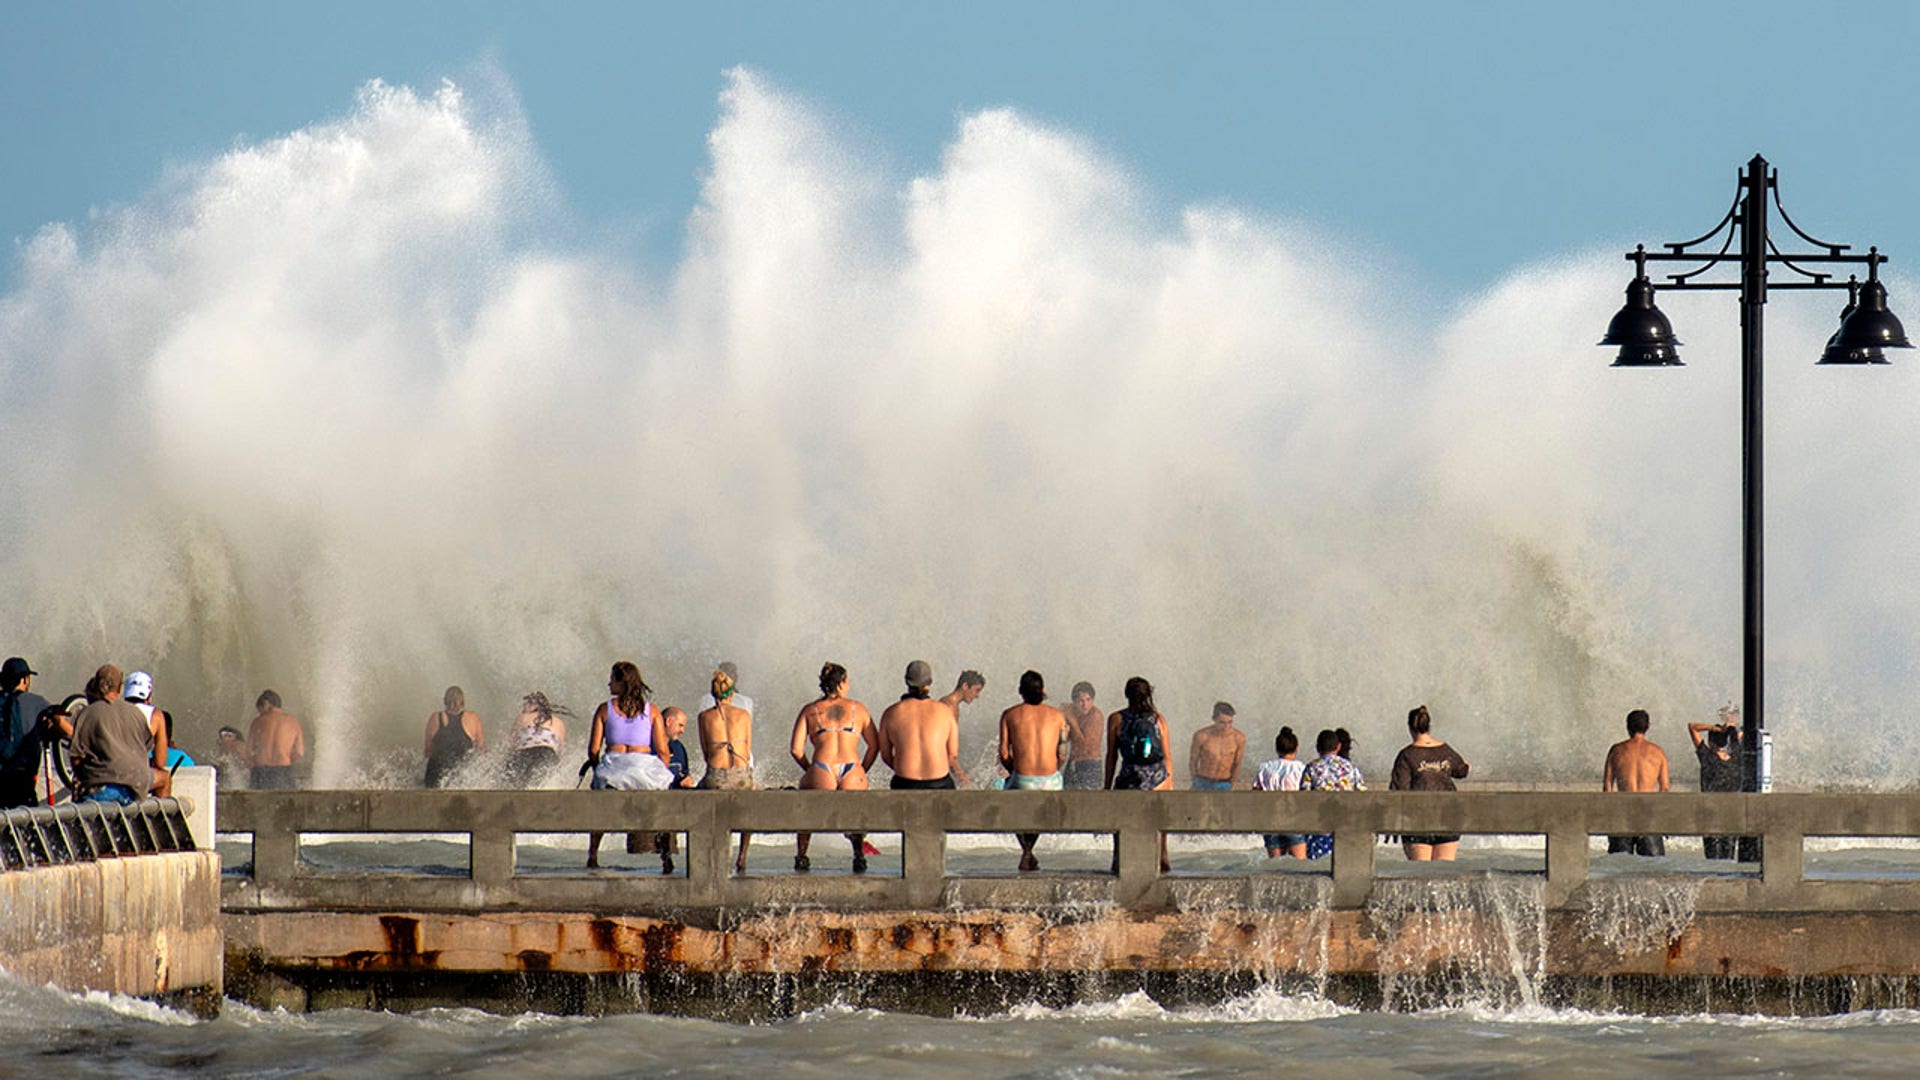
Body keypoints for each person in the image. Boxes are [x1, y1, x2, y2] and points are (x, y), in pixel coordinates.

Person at [789, 662, 877, 873]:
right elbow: (875, 745)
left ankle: (802, 855)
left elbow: (795, 749)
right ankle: (858, 855)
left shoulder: (811, 710)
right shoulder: (859, 708)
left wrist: (811, 769)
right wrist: (861, 769)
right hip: (851, 767)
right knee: (855, 813)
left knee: (807, 811)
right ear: (841, 683)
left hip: (822, 767)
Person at [585, 661, 673, 869]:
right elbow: (662, 750)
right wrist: (661, 770)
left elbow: (593, 749)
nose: (609, 684)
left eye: (612, 680)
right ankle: (665, 855)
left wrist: (597, 767)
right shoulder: (652, 711)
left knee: (600, 807)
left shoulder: (604, 709)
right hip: (643, 769)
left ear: (622, 683)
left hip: (613, 768)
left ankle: (593, 854)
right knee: (662, 804)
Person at [998, 669, 1069, 872]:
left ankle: (1026, 850)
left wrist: (1016, 770)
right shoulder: (1058, 716)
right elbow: (1062, 754)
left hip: (1022, 778)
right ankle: (1029, 851)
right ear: (1043, 690)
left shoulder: (1010, 715)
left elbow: (1003, 753)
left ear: (1021, 691)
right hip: (1051, 781)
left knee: (1010, 799)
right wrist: (1053, 770)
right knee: (1040, 805)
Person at [1105, 676, 1172, 873]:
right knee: (1159, 821)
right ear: (1149, 694)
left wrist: (1107, 787)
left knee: (1120, 821)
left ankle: (1118, 858)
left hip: (1130, 779)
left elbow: (1112, 756)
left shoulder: (1116, 719)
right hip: (1157, 779)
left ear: (1126, 695)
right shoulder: (1158, 719)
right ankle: (1162, 855)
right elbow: (1167, 756)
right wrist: (1168, 782)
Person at [1388, 705, 1471, 861]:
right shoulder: (1445, 750)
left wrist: (1392, 822)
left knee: (1421, 871)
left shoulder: (1406, 755)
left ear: (1410, 727)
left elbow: (1400, 790)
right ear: (1429, 726)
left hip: (1417, 819)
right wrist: (1466, 765)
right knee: (1443, 871)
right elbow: (1462, 771)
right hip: (1448, 816)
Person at [70, 664, 155, 805]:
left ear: (97, 685)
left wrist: (83, 777)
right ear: (120, 687)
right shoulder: (136, 713)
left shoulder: (89, 713)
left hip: (104, 789)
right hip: (137, 789)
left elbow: (76, 757)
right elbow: (147, 747)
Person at [698, 667, 755, 873]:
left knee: (702, 798)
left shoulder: (704, 717)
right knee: (749, 804)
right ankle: (742, 856)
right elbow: (747, 752)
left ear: (713, 693)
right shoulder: (744, 715)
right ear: (732, 693)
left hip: (716, 776)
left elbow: (706, 754)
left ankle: (715, 854)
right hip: (741, 776)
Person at [878, 660, 961, 790]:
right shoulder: (945, 712)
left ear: (907, 681)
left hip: (905, 782)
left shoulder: (890, 713)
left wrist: (905, 768)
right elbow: (953, 754)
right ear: (930, 682)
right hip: (939, 782)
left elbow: (885, 755)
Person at [1603, 708, 1670, 857]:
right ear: (1647, 727)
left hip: (1622, 814)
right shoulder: (1658, 753)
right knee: (1653, 867)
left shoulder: (1616, 750)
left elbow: (1607, 787)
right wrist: (1662, 819)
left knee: (1619, 865)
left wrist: (1608, 817)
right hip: (1648, 814)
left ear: (1627, 727)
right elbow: (1664, 789)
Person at [1688, 705, 1744, 860]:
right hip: (1732, 814)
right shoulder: (1737, 757)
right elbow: (1739, 735)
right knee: (1729, 856)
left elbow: (1692, 727)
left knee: (1712, 858)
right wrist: (1731, 728)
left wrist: (1716, 728)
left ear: (1711, 742)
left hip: (1710, 814)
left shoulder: (1707, 757)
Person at [1302, 728, 1366, 860]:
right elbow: (1362, 795)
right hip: (1346, 824)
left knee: (1319, 866)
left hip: (1320, 825)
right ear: (1338, 747)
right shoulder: (1350, 768)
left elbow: (1304, 797)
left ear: (1317, 748)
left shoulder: (1312, 767)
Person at [0, 657, 53, 809]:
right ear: (24, 679)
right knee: (28, 825)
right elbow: (61, 726)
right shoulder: (37, 702)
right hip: (22, 779)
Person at [1254, 726, 1307, 859]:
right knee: (1300, 865)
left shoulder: (1265, 768)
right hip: (1293, 820)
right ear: (1296, 749)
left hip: (1270, 820)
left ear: (1276, 749)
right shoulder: (1300, 768)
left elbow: (1255, 792)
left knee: (1275, 866)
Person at [119, 671, 174, 797]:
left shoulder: (112, 710)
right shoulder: (155, 715)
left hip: (107, 771)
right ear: (149, 696)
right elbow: (160, 762)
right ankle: (159, 816)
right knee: (164, 778)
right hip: (133, 776)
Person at [422, 685, 484, 789]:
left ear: (445, 701)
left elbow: (428, 751)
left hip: (437, 772)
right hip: (461, 773)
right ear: (462, 701)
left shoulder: (435, 718)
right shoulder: (473, 718)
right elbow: (481, 749)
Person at [505, 692, 570, 788]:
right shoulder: (559, 722)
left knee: (514, 783)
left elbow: (511, 744)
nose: (523, 710)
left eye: (525, 707)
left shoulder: (522, 718)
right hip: (547, 753)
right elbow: (562, 753)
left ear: (532, 706)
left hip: (524, 753)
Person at [246, 690, 306, 789]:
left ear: (266, 704)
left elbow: (248, 751)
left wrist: (256, 761)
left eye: (260, 710)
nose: (260, 714)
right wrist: (286, 760)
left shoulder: (257, 722)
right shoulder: (293, 722)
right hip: (283, 770)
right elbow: (299, 752)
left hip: (261, 770)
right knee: (284, 802)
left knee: (258, 803)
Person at [938, 670, 985, 788]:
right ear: (965, 686)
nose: (977, 696)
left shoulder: (953, 706)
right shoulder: (947, 706)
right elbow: (942, 744)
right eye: (976, 690)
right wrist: (959, 773)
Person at [1188, 701, 1246, 790]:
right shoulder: (1202, 736)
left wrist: (1231, 784)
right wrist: (1195, 780)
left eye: (1230, 722)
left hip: (1224, 782)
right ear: (1214, 719)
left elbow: (1237, 764)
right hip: (1203, 780)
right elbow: (1193, 760)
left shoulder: (1238, 738)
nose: (1226, 726)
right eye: (1222, 723)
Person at [1062, 681, 1106, 790]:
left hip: (1090, 765)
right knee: (1066, 800)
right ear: (1074, 702)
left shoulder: (1096, 715)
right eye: (1081, 701)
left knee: (1089, 803)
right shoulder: (1073, 711)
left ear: (1093, 700)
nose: (1085, 705)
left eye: (1088, 700)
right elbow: (1066, 739)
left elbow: (1084, 744)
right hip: (1073, 763)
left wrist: (1071, 719)